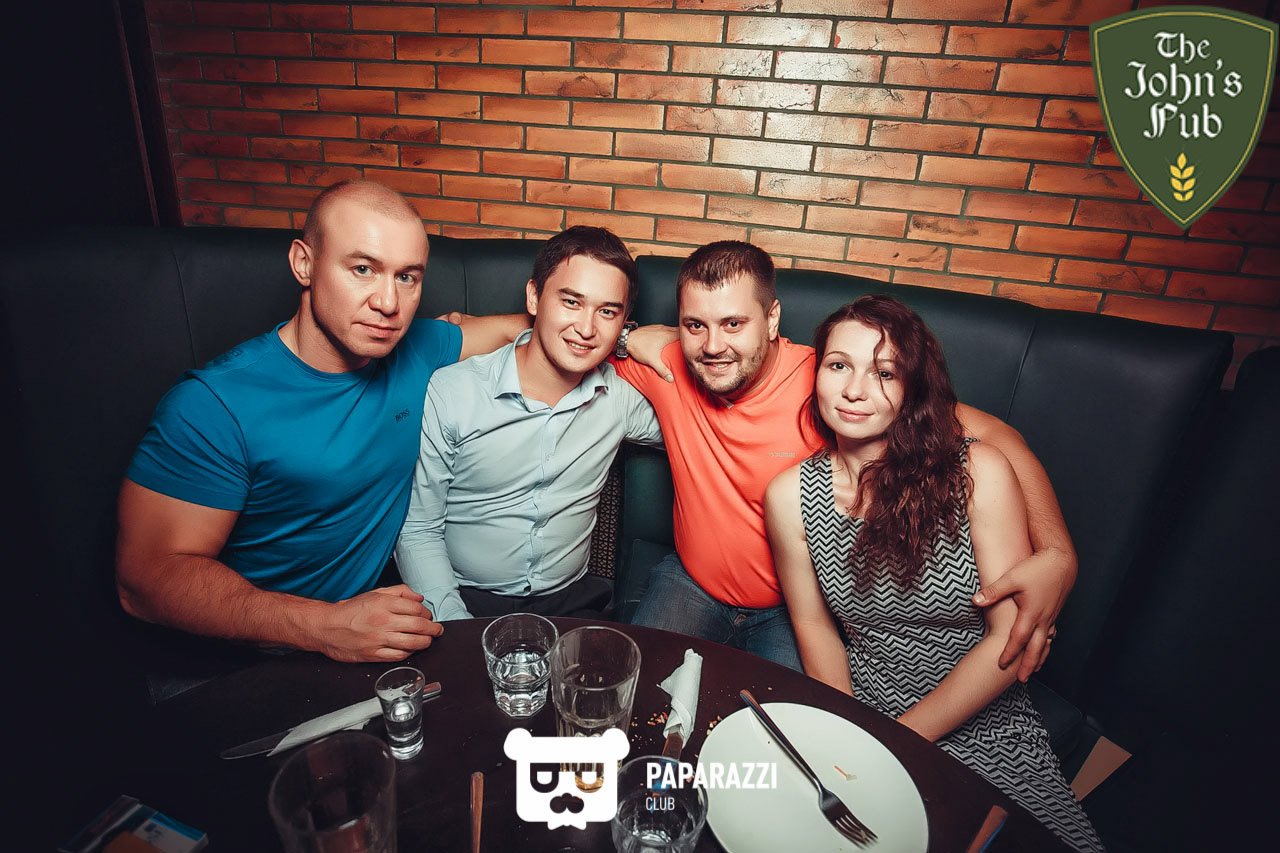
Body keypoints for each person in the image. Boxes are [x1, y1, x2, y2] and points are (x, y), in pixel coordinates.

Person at [614, 241, 1077, 676]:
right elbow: (580, 338)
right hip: (692, 582)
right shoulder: (671, 364)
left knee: (796, 726)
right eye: (695, 325)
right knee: (630, 693)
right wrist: (628, 336)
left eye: (734, 323)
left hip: (793, 608)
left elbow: (998, 437)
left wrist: (1057, 554)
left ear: (772, 320)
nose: (714, 346)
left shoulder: (831, 381)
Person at [116, 181, 526, 663]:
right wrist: (324, 626)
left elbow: (524, 331)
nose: (388, 303)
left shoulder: (418, 348)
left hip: (374, 633)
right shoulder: (214, 404)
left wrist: (604, 330)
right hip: (250, 658)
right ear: (304, 263)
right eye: (362, 269)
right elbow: (145, 581)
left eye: (407, 277)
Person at [764, 296, 1103, 850]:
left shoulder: (977, 471)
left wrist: (896, 741)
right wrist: (847, 731)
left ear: (913, 387)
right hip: (869, 703)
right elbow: (814, 624)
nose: (854, 390)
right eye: (839, 365)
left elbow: (1008, 638)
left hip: (985, 713)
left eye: (884, 373)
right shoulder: (789, 496)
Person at [395, 227, 662, 620]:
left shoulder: (620, 400)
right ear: (534, 297)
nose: (587, 329)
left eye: (607, 311)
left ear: (624, 322)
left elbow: (702, 428)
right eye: (571, 302)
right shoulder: (453, 392)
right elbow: (418, 529)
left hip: (571, 601)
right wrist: (452, 623)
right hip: (463, 597)